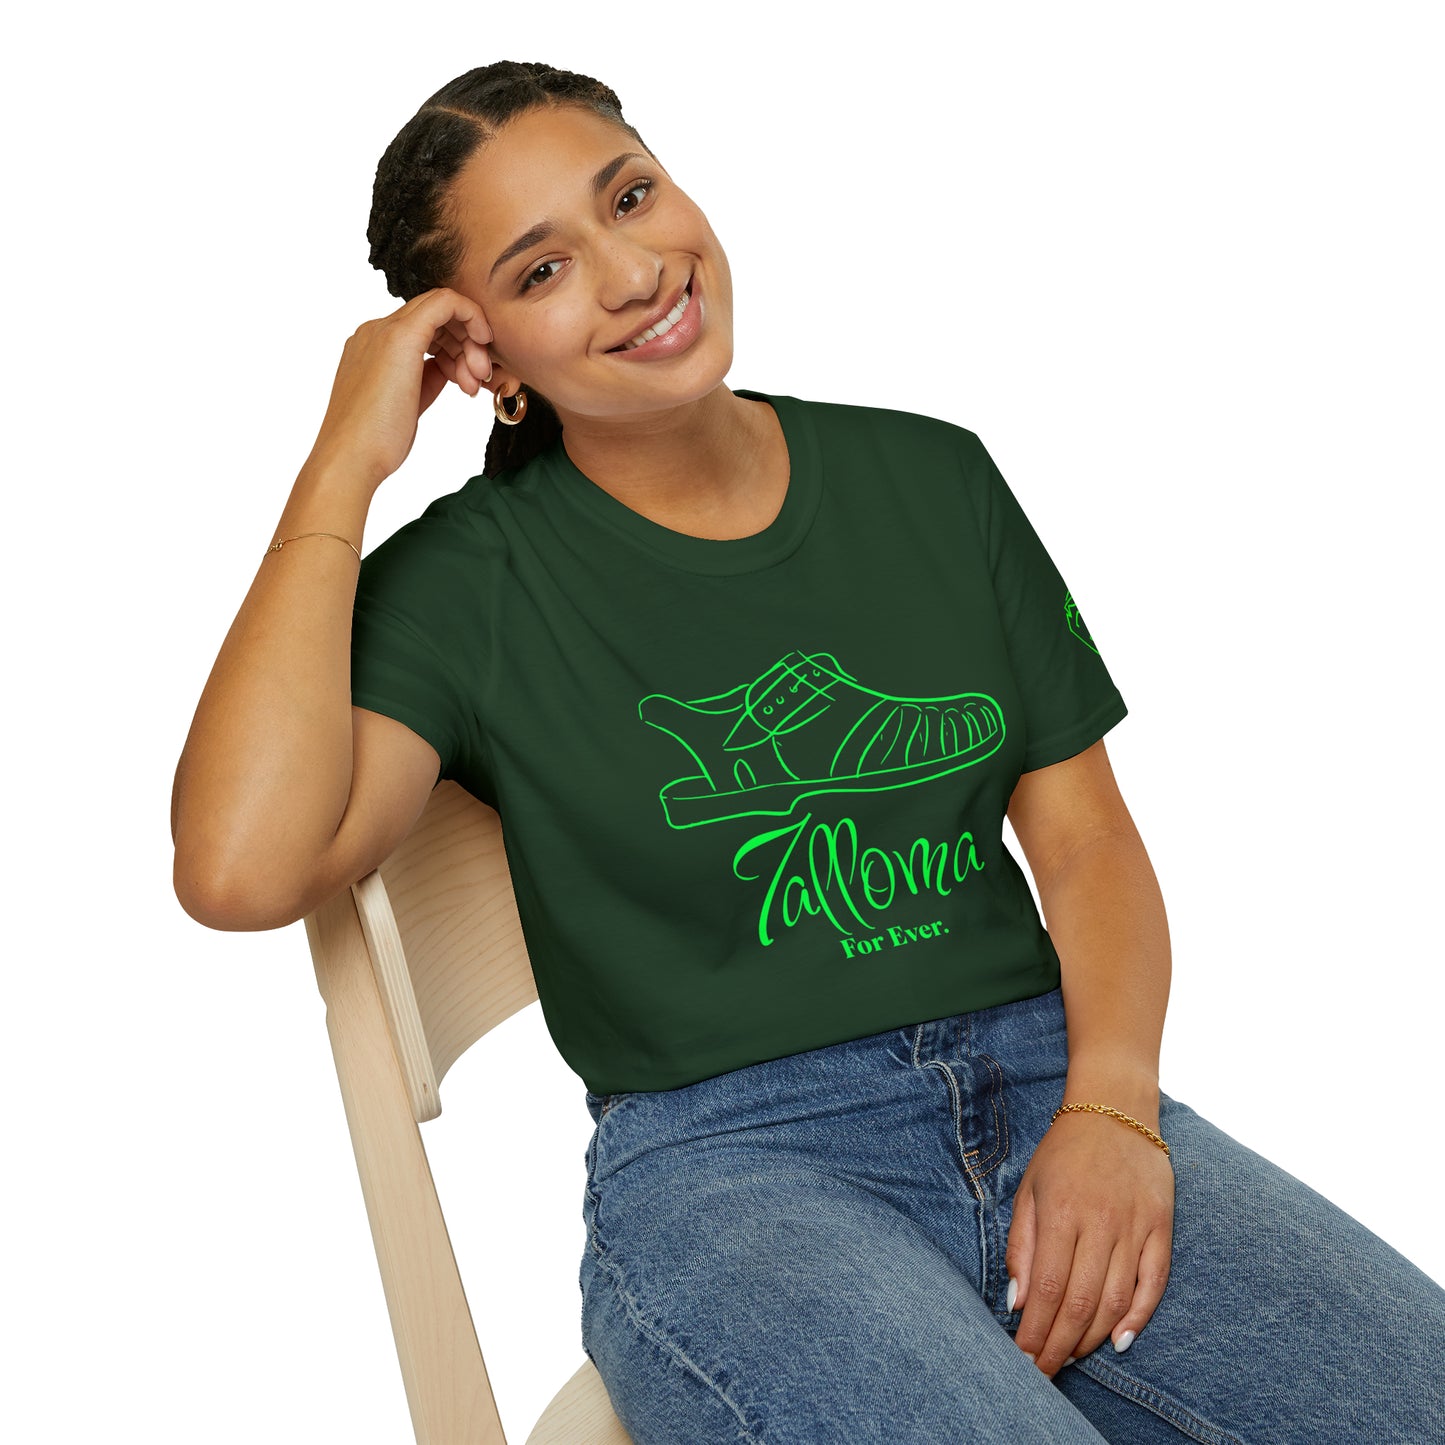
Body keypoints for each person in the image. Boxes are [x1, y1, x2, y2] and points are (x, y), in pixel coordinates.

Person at [171, 60, 1445, 1443]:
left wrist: (1113, 1109)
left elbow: (1087, 846)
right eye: (542, 270)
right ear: (487, 360)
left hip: (1050, 1082)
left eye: (630, 197)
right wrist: (343, 461)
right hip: (735, 1170)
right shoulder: (470, 582)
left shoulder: (932, 478)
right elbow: (239, 869)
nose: (633, 273)